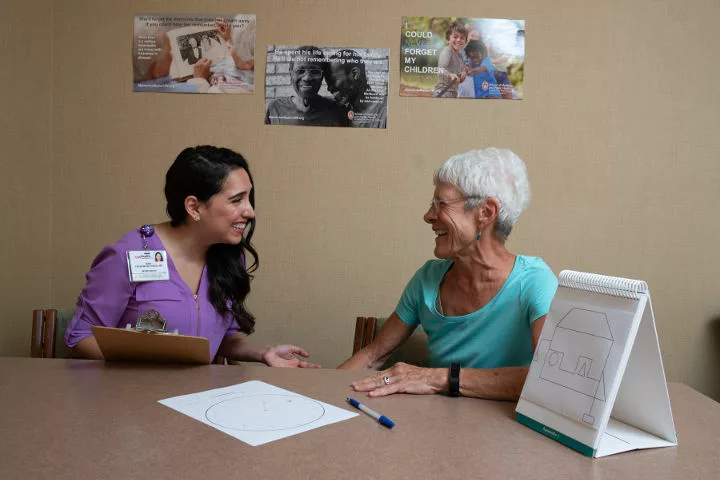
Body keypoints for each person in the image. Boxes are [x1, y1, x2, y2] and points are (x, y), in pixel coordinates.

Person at [65, 146, 320, 368]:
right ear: (194, 207)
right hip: (131, 407)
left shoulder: (229, 258)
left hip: (197, 403)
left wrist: (265, 353)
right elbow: (80, 337)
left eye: (249, 198)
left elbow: (221, 338)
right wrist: (143, 372)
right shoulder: (128, 255)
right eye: (236, 200)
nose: (250, 211)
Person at [339, 148, 558, 400]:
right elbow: (372, 356)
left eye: (440, 204)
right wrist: (312, 396)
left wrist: (440, 378)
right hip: (439, 428)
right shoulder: (427, 280)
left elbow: (550, 380)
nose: (428, 216)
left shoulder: (535, 282)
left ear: (485, 212)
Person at [265, 46, 348, 126]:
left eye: (315, 71)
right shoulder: (275, 109)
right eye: (300, 71)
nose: (307, 78)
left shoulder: (336, 110)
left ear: (322, 76)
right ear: (291, 74)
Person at [132, 23, 212, 93]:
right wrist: (200, 79)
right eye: (169, 51)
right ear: (158, 71)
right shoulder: (188, 91)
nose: (172, 56)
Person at [327, 49, 387, 128]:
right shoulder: (343, 113)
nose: (329, 88)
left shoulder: (386, 112)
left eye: (333, 80)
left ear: (355, 74)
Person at [432, 22, 468, 98]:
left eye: (462, 38)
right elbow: (440, 69)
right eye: (455, 37)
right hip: (442, 92)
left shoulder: (460, 56)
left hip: (453, 93)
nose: (459, 40)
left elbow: (458, 79)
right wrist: (450, 75)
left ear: (465, 42)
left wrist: (463, 75)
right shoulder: (447, 51)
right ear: (448, 40)